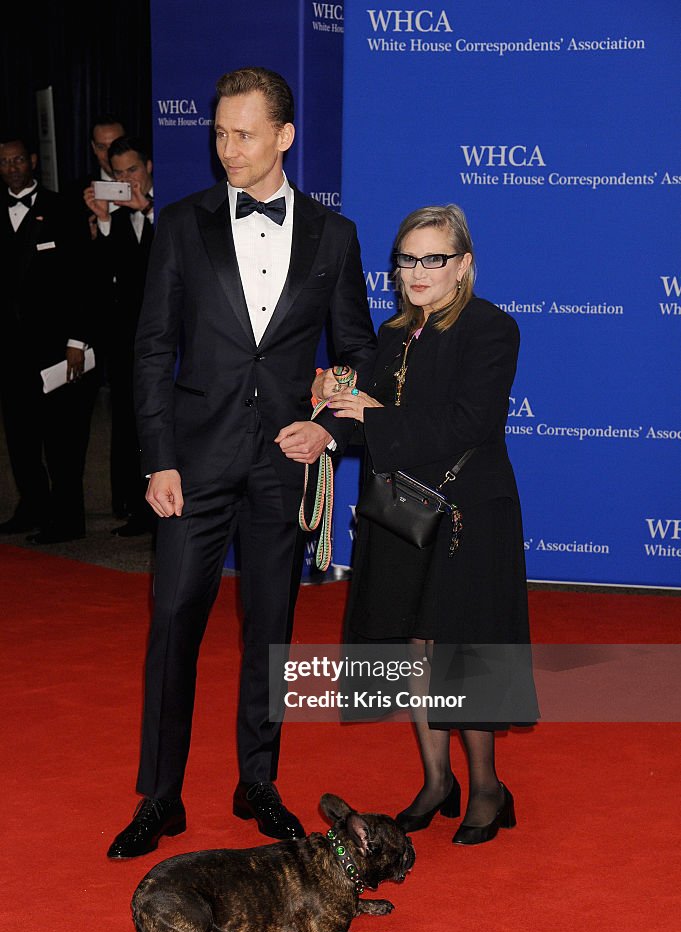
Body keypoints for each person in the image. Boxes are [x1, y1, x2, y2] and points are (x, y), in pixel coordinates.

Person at [107, 67, 376, 858]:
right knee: (171, 627)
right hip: (190, 466)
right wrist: (157, 461)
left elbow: (356, 352)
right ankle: (160, 796)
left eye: (245, 134)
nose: (228, 148)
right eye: (220, 133)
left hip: (277, 469)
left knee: (272, 631)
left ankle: (257, 781)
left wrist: (328, 428)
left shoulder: (336, 235)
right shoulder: (183, 223)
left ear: (283, 137)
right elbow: (152, 348)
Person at [327, 204, 537, 846]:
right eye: (406, 260)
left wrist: (370, 419)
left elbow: (467, 424)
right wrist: (328, 418)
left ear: (464, 265)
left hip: (466, 511)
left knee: (459, 651)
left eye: (433, 259)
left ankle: (485, 788)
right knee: (415, 647)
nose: (417, 272)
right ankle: (437, 779)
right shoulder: (392, 335)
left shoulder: (491, 329)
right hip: (402, 512)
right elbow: (373, 428)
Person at [0, 135, 95, 543]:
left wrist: (78, 339)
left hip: (56, 346)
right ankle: (32, 506)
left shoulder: (62, 207)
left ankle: (68, 518)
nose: (13, 167)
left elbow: (83, 276)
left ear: (33, 161)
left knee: (62, 438)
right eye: (5, 162)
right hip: (9, 348)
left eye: (19, 159)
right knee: (20, 437)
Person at [84, 136, 155, 535]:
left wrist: (145, 209)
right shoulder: (119, 216)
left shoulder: (169, 206)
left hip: (174, 339)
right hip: (129, 339)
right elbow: (111, 278)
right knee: (129, 421)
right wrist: (106, 220)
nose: (126, 179)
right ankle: (133, 505)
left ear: (148, 166)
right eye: (117, 173)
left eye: (132, 170)